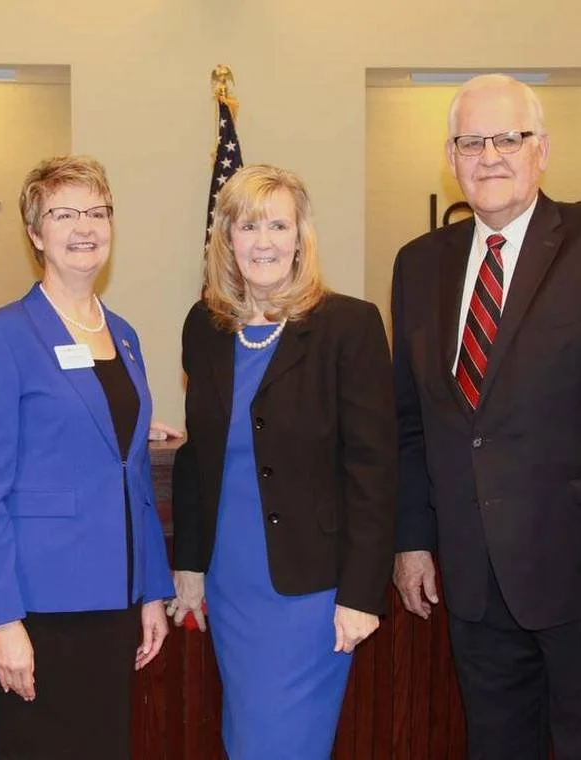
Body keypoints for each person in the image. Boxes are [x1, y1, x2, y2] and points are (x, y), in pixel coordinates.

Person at [390, 74, 581, 760]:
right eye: (472, 141)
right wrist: (412, 541)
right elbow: (411, 424)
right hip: (474, 581)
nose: (490, 155)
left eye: (509, 138)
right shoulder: (419, 265)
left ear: (543, 149)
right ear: (451, 154)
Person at [169, 163, 398, 759]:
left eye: (278, 224)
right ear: (226, 238)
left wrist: (362, 594)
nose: (263, 241)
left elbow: (374, 469)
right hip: (231, 580)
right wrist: (189, 564)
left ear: (301, 238)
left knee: (283, 743)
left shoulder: (349, 325)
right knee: (245, 736)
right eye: (248, 225)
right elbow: (199, 456)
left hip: (312, 592)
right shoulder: (205, 325)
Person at [0, 155, 174, 760]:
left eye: (96, 211)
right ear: (35, 233)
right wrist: (4, 620)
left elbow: (129, 471)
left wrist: (152, 591)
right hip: (39, 606)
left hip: (115, 600)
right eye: (63, 213)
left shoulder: (125, 335)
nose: (84, 226)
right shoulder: (4, 334)